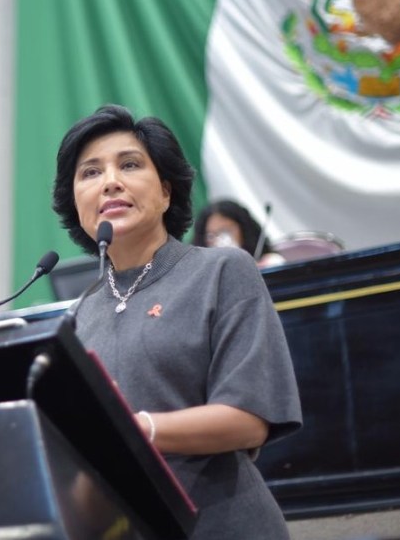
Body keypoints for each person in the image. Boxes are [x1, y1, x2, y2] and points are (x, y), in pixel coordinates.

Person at [52, 105, 302, 539]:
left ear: (166, 192)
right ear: (76, 203)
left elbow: (248, 420)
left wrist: (140, 429)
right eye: (90, 173)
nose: (110, 180)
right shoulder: (78, 316)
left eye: (129, 164)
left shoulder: (222, 271)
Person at [191, 199, 287, 267]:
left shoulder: (270, 263)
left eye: (225, 231)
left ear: (244, 229)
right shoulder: (202, 275)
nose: (219, 240)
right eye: (211, 235)